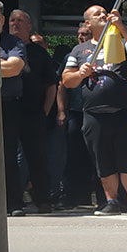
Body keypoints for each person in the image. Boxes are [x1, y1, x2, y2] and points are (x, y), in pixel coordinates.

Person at [61, 4, 127, 216]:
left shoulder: (120, 41)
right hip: (93, 113)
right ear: (88, 23)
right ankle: (111, 201)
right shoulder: (79, 51)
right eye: (97, 13)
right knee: (102, 159)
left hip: (121, 111)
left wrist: (122, 26)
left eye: (104, 11)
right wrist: (80, 74)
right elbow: (66, 80)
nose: (103, 14)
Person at [7, 9, 57, 214]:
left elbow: (51, 84)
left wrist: (45, 111)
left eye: (20, 20)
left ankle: (43, 200)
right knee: (9, 158)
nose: (15, 23)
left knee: (37, 158)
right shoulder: (2, 48)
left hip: (33, 113)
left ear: (29, 26)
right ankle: (13, 203)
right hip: (8, 110)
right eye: (12, 20)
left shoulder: (39, 53)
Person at [55, 23, 96, 208]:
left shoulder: (102, 54)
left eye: (85, 34)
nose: (81, 37)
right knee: (73, 155)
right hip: (75, 112)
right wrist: (61, 111)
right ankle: (70, 195)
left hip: (96, 111)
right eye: (79, 34)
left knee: (95, 155)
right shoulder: (71, 56)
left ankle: (93, 196)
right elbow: (62, 85)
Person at [0, 1, 27, 216]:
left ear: (2, 19)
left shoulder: (13, 42)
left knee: (8, 155)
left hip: (7, 104)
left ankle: (13, 203)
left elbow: (14, 68)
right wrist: (1, 63)